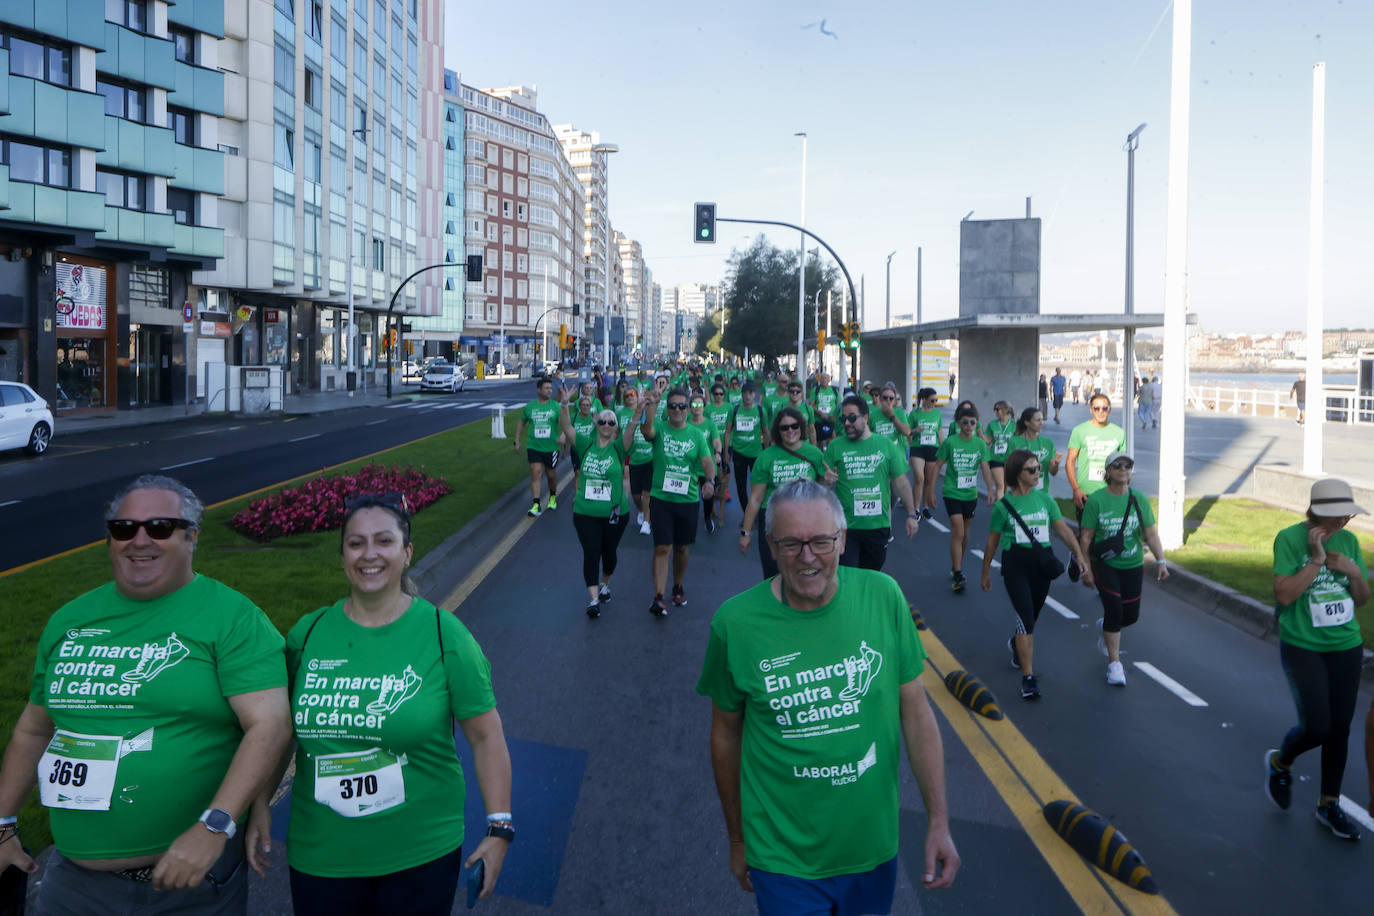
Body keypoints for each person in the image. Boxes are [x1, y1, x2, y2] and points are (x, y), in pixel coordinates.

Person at [0, 475, 291, 912]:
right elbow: (33, 730)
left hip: (187, 882)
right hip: (71, 882)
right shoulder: (69, 621)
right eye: (123, 528)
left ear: (191, 536)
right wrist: (2, 824)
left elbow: (270, 724)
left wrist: (215, 827)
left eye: (159, 527)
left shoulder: (232, 618)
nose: (139, 540)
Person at [697, 480, 959, 913]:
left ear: (841, 541)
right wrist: (737, 839)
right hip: (782, 857)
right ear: (769, 545)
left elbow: (915, 713)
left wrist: (939, 821)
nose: (807, 558)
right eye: (790, 544)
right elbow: (724, 736)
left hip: (871, 849)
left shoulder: (883, 597)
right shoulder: (735, 624)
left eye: (821, 541)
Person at [254, 494, 513, 914]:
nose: (369, 554)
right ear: (342, 556)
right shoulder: (308, 633)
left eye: (384, 541)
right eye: (356, 543)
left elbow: (487, 737)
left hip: (419, 854)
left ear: (407, 553)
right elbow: (281, 731)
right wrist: (260, 802)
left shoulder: (445, 635)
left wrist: (500, 828)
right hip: (321, 855)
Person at [1264, 479, 1370, 840]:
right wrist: (1316, 561)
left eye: (1347, 515)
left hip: (1346, 645)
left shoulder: (1350, 542)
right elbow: (1284, 594)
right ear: (1318, 512)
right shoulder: (1289, 539)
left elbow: (1362, 598)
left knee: (1340, 728)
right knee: (1318, 726)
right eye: (1339, 515)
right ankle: (1281, 761)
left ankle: (1329, 804)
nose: (1344, 521)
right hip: (1303, 645)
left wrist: (1355, 573)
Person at [980, 450, 1094, 700]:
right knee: (1025, 618)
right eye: (1031, 470)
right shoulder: (1003, 506)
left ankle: (1016, 645)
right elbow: (992, 542)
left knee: (1032, 617)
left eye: (1038, 469)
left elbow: (1063, 530)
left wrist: (1080, 556)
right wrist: (985, 571)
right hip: (1016, 566)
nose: (1037, 473)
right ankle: (1028, 678)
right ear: (1017, 474)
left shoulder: (1045, 499)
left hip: (1041, 566)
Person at [1078, 452, 1170, 686]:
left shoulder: (1138, 498)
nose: (1123, 469)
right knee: (1115, 611)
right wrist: (1085, 567)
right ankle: (1114, 665)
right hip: (1105, 564)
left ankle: (1105, 626)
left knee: (1130, 616)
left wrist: (1161, 561)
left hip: (1133, 564)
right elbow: (1086, 537)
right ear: (1108, 472)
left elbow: (1150, 533)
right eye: (1117, 465)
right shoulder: (1097, 500)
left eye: (1128, 465)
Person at [640, 387, 717, 616]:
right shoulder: (660, 429)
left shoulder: (696, 435)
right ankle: (659, 596)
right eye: (672, 406)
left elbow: (707, 461)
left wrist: (710, 481)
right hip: (661, 498)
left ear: (687, 409)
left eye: (682, 406)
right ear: (667, 408)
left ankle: (678, 584)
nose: (677, 410)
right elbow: (647, 429)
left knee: (682, 548)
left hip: (688, 499)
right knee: (663, 547)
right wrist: (652, 403)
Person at [558, 389, 635, 617]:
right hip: (585, 512)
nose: (607, 424)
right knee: (591, 552)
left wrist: (639, 409)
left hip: (615, 513)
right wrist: (564, 405)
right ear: (597, 422)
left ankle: (605, 584)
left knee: (609, 553)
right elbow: (567, 428)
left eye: (611, 422)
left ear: (615, 427)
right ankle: (593, 600)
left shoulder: (619, 448)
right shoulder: (585, 444)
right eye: (603, 420)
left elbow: (631, 430)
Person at [825, 395, 921, 571]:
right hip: (846, 527)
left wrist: (911, 514)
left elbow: (901, 482)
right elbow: (822, 485)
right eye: (843, 418)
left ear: (866, 418)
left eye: (852, 417)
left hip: (877, 526)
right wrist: (825, 480)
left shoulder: (885, 445)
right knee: (850, 577)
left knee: (872, 576)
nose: (847, 423)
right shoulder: (835, 446)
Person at [739, 407, 829, 579]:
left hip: (806, 519)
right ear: (777, 431)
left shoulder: (815, 454)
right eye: (784, 428)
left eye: (794, 426)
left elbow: (822, 491)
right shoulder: (766, 457)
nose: (790, 431)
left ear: (801, 427)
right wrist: (746, 532)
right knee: (773, 574)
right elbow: (756, 498)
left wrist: (829, 481)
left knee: (802, 571)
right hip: (774, 520)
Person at [932, 404, 994, 592]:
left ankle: (956, 563)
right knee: (958, 531)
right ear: (959, 424)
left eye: (972, 422)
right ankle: (958, 573)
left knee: (965, 534)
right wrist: (930, 490)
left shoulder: (980, 444)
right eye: (965, 422)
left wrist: (990, 490)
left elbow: (985, 468)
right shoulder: (950, 442)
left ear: (976, 424)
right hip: (952, 492)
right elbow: (937, 466)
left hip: (971, 494)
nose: (968, 425)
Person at [1066, 392, 1127, 580]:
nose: (1101, 411)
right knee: (1087, 534)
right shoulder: (1080, 431)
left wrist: (1122, 490)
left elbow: (1122, 465)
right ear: (1091, 409)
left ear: (1110, 409)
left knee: (1105, 536)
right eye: (1097, 408)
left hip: (1110, 493)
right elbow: (1070, 461)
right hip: (1087, 494)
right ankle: (1078, 558)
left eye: (1105, 408)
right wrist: (1076, 488)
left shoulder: (1118, 433)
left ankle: (1099, 575)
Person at [513, 377, 560, 517]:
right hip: (534, 446)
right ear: (539, 390)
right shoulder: (530, 407)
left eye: (551, 388)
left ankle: (552, 496)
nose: (549, 390)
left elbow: (565, 423)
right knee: (535, 471)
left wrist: (566, 440)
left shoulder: (556, 407)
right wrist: (517, 440)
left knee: (551, 474)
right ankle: (536, 504)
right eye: (546, 388)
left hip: (551, 447)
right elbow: (521, 422)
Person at [725, 383, 769, 521]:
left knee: (758, 485)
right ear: (742, 394)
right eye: (746, 393)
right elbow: (727, 432)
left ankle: (757, 511)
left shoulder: (761, 411)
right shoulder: (735, 410)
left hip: (756, 453)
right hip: (739, 453)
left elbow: (766, 432)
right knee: (740, 486)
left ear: (755, 394)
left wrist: (766, 452)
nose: (748, 396)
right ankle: (747, 514)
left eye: (751, 393)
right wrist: (726, 451)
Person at [617, 387, 656, 536]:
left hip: (649, 457)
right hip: (632, 458)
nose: (630, 397)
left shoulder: (646, 410)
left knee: (647, 493)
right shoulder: (620, 414)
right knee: (635, 495)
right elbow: (616, 434)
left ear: (638, 395)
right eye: (627, 395)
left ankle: (646, 522)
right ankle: (641, 510)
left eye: (633, 394)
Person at [688, 392, 726, 534]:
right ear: (690, 407)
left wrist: (717, 453)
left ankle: (707, 518)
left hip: (707, 467)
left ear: (704, 407)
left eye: (700, 405)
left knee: (708, 496)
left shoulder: (710, 424)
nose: (697, 407)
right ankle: (689, 519)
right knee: (689, 496)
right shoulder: (686, 423)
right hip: (690, 467)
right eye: (694, 404)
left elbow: (716, 441)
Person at [906, 387, 943, 520]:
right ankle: (916, 508)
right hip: (918, 448)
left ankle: (925, 507)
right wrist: (916, 431)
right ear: (924, 400)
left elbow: (939, 431)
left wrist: (944, 449)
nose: (935, 403)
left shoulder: (937, 414)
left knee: (928, 480)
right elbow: (908, 432)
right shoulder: (915, 414)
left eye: (936, 400)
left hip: (933, 448)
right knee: (919, 477)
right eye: (932, 400)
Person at [1007, 407, 1060, 494]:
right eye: (1038, 420)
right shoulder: (1014, 442)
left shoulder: (1048, 442)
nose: (1041, 423)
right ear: (1027, 422)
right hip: (1021, 493)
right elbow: (1009, 470)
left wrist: (1056, 464)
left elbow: (1053, 473)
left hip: (1042, 493)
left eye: (1042, 420)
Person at [706, 383, 735, 515]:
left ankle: (724, 492)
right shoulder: (708, 408)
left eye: (721, 394)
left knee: (725, 472)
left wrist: (727, 448)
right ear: (713, 395)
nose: (718, 396)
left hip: (726, 445)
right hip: (711, 446)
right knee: (714, 473)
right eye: (716, 394)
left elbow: (730, 428)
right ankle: (711, 497)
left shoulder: (729, 407)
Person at [985, 401, 1016, 500]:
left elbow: (1018, 441)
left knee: (1006, 486)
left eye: (998, 409)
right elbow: (989, 441)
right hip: (995, 458)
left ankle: (1002, 506)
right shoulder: (992, 424)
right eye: (995, 410)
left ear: (1005, 410)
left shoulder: (1013, 425)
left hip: (1009, 459)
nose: (996, 412)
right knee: (1000, 485)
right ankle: (1001, 511)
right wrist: (981, 436)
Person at [871, 383, 912, 454]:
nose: (888, 400)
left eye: (891, 398)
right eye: (885, 398)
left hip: (897, 455)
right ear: (880, 399)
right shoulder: (872, 415)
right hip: (880, 455)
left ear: (895, 401)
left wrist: (892, 416)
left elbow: (907, 432)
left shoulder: (900, 413)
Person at [810, 371, 842, 448]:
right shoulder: (815, 390)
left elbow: (839, 405)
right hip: (818, 419)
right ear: (819, 380)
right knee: (819, 441)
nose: (824, 380)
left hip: (831, 419)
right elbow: (811, 405)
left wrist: (834, 415)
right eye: (822, 378)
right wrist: (820, 413)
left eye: (826, 378)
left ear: (829, 380)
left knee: (830, 440)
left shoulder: (834, 390)